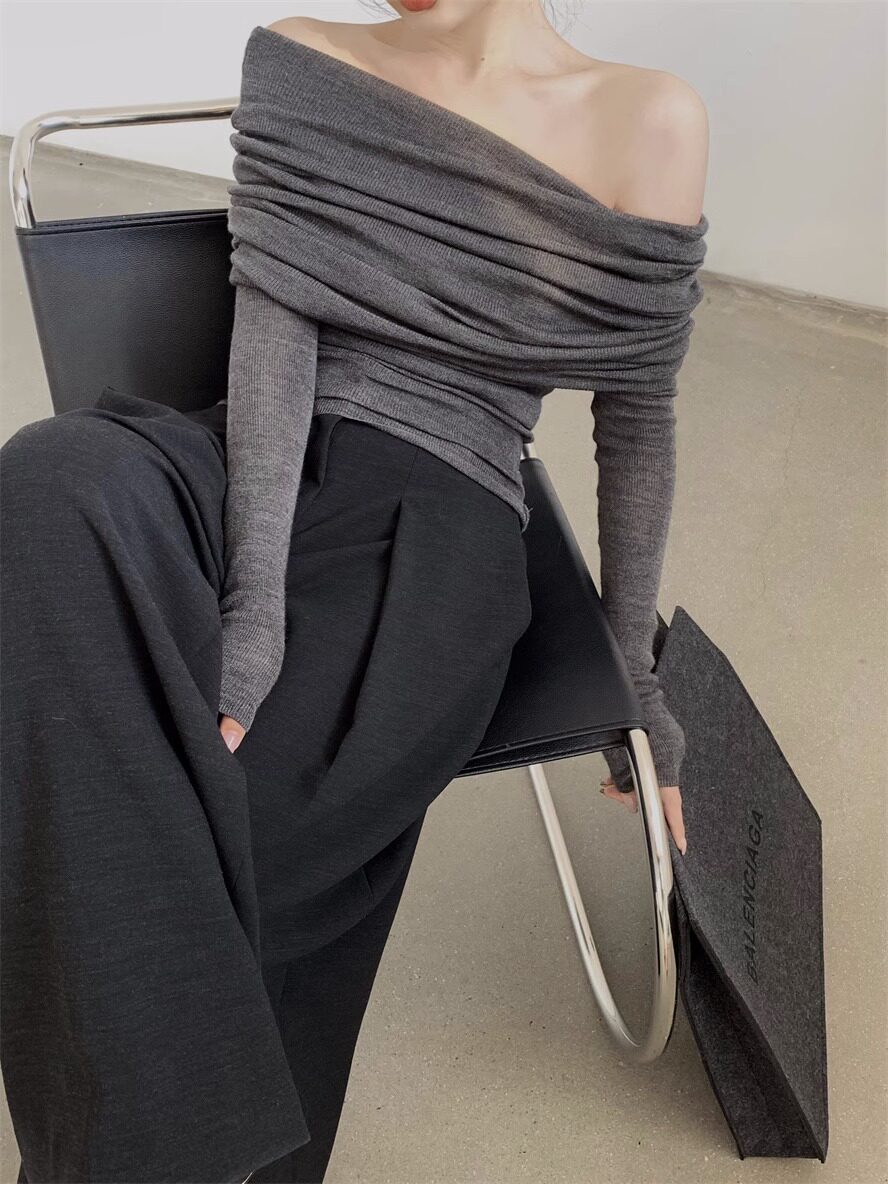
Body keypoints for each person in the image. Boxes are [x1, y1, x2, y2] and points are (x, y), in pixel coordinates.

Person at [0, 2, 708, 1181]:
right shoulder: (305, 54)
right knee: (52, 474)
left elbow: (638, 418)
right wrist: (253, 611)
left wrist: (635, 669)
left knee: (231, 816)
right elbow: (275, 331)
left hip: (444, 516)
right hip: (244, 458)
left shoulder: (650, 118)